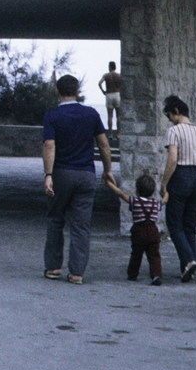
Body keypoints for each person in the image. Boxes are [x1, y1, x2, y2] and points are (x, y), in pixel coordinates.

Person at [42, 73, 112, 285]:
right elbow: (103, 145)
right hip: (86, 174)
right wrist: (107, 170)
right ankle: (77, 272)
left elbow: (49, 145)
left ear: (57, 91)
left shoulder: (52, 116)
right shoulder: (91, 114)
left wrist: (48, 174)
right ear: (77, 91)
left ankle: (54, 267)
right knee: (81, 225)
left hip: (62, 173)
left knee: (56, 219)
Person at [161, 95, 196, 282]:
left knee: (174, 224)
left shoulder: (174, 131)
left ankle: (188, 260)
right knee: (190, 226)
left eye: (169, 115)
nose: (169, 119)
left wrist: (164, 184)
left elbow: (173, 159)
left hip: (181, 176)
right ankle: (186, 268)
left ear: (175, 112)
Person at [103, 172, 163, 285]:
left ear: (137, 190)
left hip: (138, 230)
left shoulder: (135, 201)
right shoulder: (156, 203)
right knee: (154, 254)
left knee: (136, 253)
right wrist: (166, 191)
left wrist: (109, 184)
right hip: (152, 230)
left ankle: (133, 274)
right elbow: (165, 200)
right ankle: (156, 275)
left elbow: (120, 194)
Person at [99, 62, 123, 132]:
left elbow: (100, 83)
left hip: (109, 94)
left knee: (110, 116)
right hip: (117, 94)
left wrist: (103, 91)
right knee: (118, 116)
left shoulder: (106, 75)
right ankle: (118, 133)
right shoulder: (119, 75)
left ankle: (110, 134)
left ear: (110, 67)